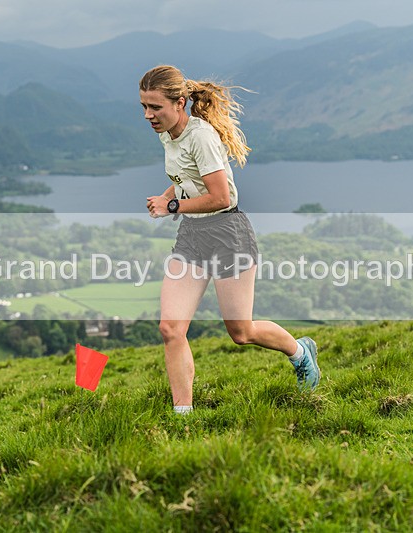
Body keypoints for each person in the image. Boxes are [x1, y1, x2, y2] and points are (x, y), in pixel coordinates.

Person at [139, 65, 320, 414]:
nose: (148, 115)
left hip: (227, 233)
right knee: (170, 328)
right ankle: (182, 417)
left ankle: (300, 353)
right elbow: (186, 177)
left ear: (179, 103)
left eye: (155, 107)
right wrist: (168, 196)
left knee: (241, 332)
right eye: (144, 106)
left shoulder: (201, 137)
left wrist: (171, 206)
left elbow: (221, 197)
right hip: (192, 235)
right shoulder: (167, 133)